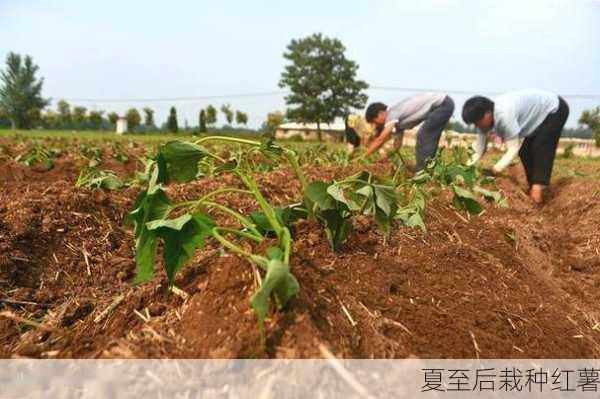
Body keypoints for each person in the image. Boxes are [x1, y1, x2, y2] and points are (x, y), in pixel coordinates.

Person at [462, 89, 569, 204]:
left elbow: (513, 148)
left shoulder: (504, 115)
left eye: (477, 122)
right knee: (525, 152)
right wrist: (464, 168)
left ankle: (537, 190)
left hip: (554, 109)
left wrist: (495, 170)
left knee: (541, 146)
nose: (477, 126)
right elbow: (479, 149)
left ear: (487, 114)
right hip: (538, 117)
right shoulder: (483, 123)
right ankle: (533, 188)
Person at [362, 93, 455, 171]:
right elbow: (397, 146)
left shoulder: (391, 114)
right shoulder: (397, 123)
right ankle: (427, 169)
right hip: (442, 105)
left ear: (381, 114)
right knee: (428, 136)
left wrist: (363, 157)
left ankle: (422, 171)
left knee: (423, 135)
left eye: (375, 121)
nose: (376, 125)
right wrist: (383, 159)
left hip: (443, 104)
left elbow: (381, 139)